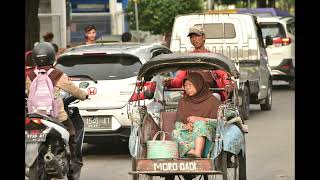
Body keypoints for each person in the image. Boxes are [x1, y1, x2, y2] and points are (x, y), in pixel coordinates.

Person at [25, 42, 89, 180]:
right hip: (56, 117)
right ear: (52, 57)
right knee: (72, 135)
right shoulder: (57, 74)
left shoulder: (29, 75)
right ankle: (72, 167)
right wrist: (85, 95)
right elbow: (75, 90)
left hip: (34, 116)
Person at [163, 25, 234, 101]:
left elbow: (223, 74)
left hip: (211, 94)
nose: (194, 39)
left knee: (214, 98)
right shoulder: (188, 59)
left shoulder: (212, 58)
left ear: (204, 37)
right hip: (192, 96)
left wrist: (227, 84)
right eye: (191, 37)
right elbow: (179, 79)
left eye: (196, 36)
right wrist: (169, 83)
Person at [171, 72, 220, 158]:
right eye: (185, 85)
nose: (187, 88)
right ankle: (191, 152)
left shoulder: (212, 100)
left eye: (190, 84)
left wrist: (201, 119)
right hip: (188, 134)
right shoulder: (183, 101)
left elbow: (219, 123)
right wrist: (185, 126)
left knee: (199, 124)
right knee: (175, 132)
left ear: (198, 84)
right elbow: (177, 123)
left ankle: (197, 153)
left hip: (207, 135)